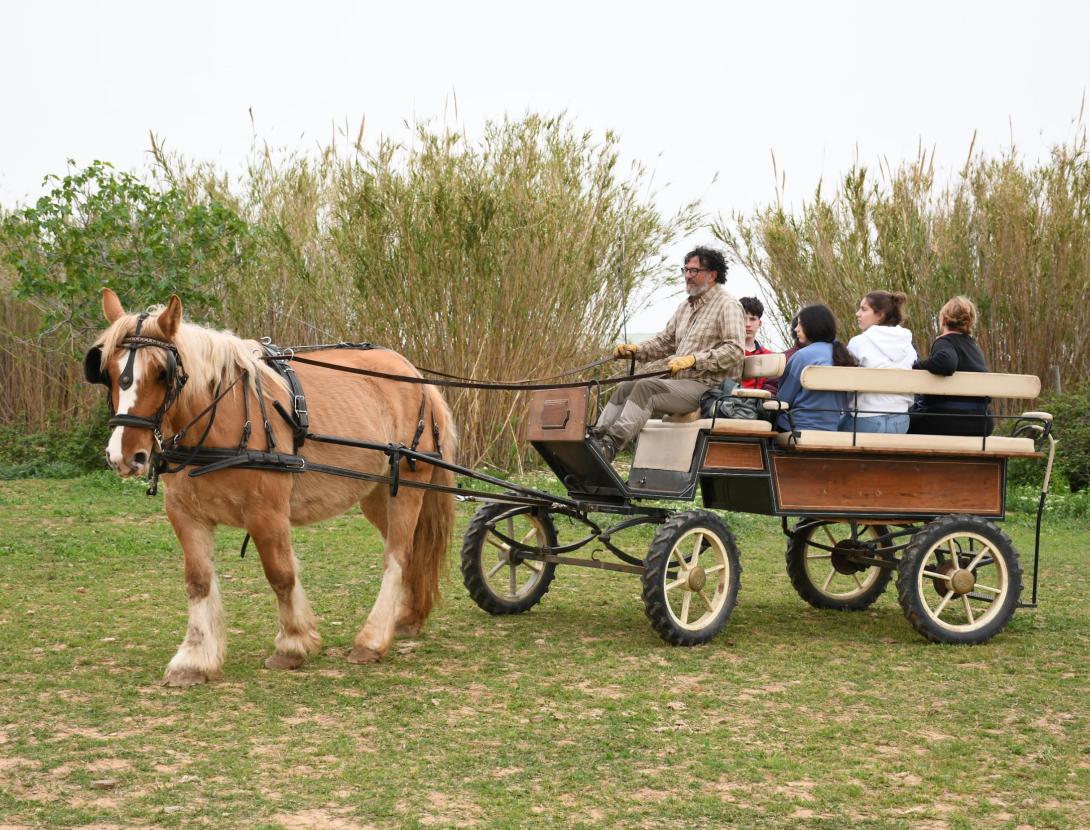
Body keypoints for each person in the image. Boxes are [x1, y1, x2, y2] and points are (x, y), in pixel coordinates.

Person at [590, 246, 745, 462]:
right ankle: (595, 438)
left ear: (712, 275)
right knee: (626, 386)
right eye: (686, 270)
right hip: (681, 384)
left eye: (694, 271)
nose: (688, 276)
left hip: (709, 389)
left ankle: (609, 445)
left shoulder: (728, 305)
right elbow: (665, 342)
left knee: (646, 388)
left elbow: (735, 351)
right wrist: (635, 350)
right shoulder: (685, 307)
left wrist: (694, 360)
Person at [908, 295, 994, 436]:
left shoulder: (945, 342)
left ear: (943, 320)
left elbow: (946, 363)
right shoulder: (974, 346)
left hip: (948, 420)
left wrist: (917, 365)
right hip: (982, 422)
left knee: (903, 422)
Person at [839, 290, 918, 433]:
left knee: (834, 428)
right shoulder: (908, 345)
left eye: (863, 309)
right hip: (900, 422)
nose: (857, 314)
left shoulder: (859, 342)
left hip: (865, 420)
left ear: (880, 315)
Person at [774, 304, 856, 432]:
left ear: (813, 325)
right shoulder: (843, 355)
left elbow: (783, 400)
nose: (796, 329)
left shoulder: (802, 356)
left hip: (796, 427)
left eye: (800, 324)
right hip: (831, 428)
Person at [739, 296, 775, 391]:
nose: (747, 324)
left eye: (752, 319)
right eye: (743, 319)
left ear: (760, 323)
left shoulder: (769, 356)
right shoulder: (726, 351)